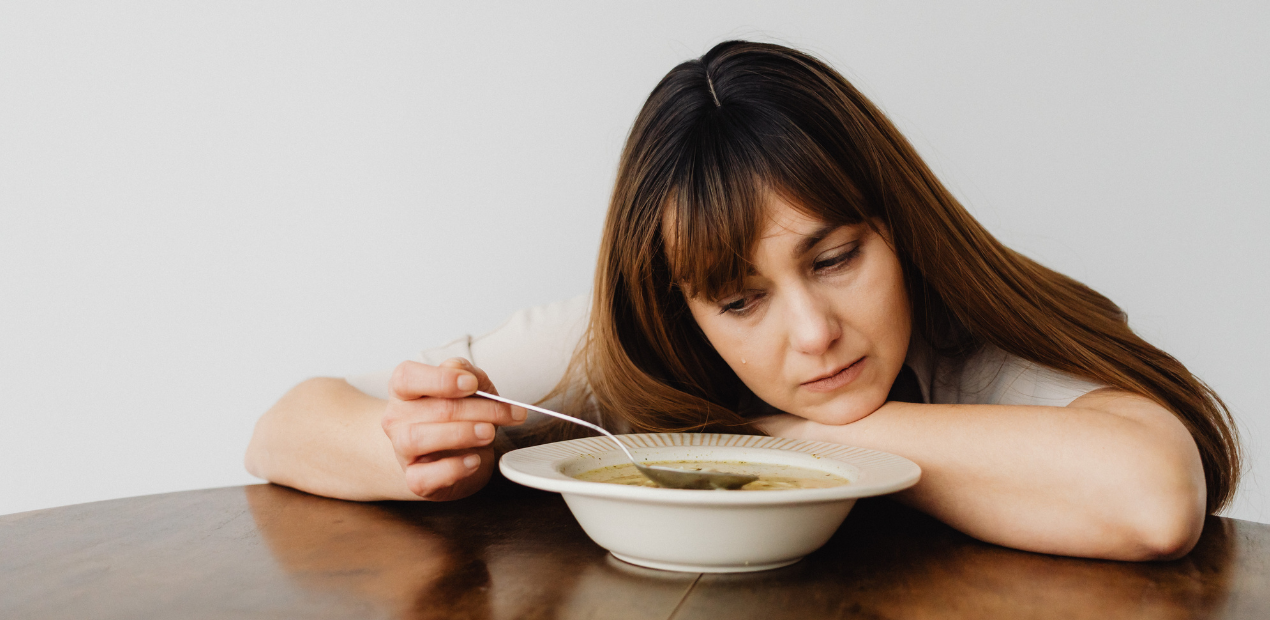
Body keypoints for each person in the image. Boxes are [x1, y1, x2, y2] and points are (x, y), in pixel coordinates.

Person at [245, 41, 1240, 561]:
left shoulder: (964, 341)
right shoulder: (616, 350)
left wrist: (775, 440)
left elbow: (1151, 496)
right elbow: (281, 430)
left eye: (837, 256)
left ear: (898, 225)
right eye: (737, 298)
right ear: (680, 309)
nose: (813, 332)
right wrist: (414, 451)